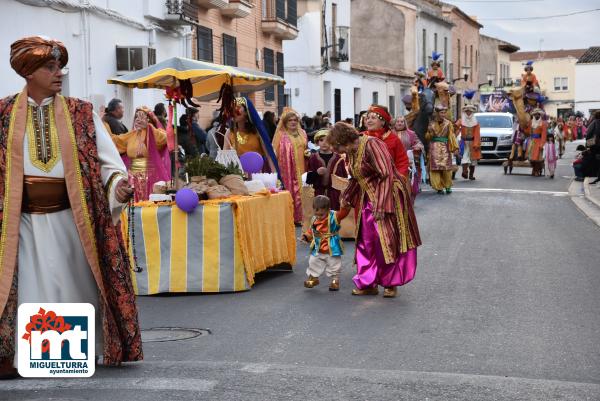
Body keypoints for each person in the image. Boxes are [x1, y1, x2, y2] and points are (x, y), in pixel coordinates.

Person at [0, 36, 142, 378]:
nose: (58, 73)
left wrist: (118, 187)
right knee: (29, 289)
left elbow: (109, 164)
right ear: (28, 72)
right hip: (23, 226)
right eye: (50, 67)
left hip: (72, 220)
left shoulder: (81, 112)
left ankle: (81, 351)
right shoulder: (3, 114)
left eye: (60, 66)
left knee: (75, 286)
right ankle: (30, 356)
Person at [327, 122, 421, 298]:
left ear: (345, 141)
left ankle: (390, 283)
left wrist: (382, 205)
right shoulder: (352, 152)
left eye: (339, 147)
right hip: (368, 198)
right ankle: (368, 282)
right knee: (366, 241)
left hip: (388, 197)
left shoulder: (372, 144)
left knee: (387, 240)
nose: (339, 151)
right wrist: (346, 198)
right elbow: (357, 179)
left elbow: (386, 174)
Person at [111, 106, 170, 201]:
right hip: (132, 178)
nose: (138, 120)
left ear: (149, 120)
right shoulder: (131, 135)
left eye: (142, 117)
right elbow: (114, 141)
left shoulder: (153, 133)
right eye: (136, 117)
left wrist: (148, 127)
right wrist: (103, 123)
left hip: (150, 178)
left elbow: (165, 138)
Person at [301, 195, 350, 291]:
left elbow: (343, 213)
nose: (319, 216)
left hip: (332, 245)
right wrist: (306, 236)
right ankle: (313, 278)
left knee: (334, 263)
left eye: (321, 214)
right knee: (313, 261)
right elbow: (312, 231)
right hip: (318, 246)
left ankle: (335, 280)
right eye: (316, 213)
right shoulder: (314, 219)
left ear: (328, 210)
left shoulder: (334, 216)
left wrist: (345, 206)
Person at [223, 97, 278, 175]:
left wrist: (275, 176)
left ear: (246, 111)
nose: (233, 111)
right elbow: (225, 157)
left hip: (258, 176)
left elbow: (269, 156)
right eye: (231, 108)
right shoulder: (229, 132)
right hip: (238, 175)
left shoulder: (257, 132)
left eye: (237, 107)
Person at [272, 107, 308, 224]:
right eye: (290, 120)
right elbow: (274, 153)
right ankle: (291, 216)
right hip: (288, 169)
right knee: (291, 189)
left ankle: (302, 217)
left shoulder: (303, 133)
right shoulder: (281, 135)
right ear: (285, 122)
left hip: (303, 167)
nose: (293, 122)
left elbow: (305, 148)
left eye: (295, 120)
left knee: (303, 189)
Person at [306, 129, 348, 210]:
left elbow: (344, 178)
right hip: (319, 194)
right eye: (321, 140)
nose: (324, 143)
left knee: (333, 217)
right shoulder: (313, 158)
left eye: (327, 140)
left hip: (334, 195)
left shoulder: (338, 158)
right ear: (317, 142)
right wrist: (317, 173)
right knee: (320, 216)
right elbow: (309, 180)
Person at [363, 105, 410, 177]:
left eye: (373, 118)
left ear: (383, 122)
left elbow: (402, 162)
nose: (369, 121)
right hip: (364, 183)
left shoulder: (394, 139)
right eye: (368, 118)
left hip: (390, 181)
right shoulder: (360, 137)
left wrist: (397, 179)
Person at [426, 105, 459, 194]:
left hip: (445, 147)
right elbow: (427, 137)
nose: (443, 114)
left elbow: (451, 136)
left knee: (446, 167)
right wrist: (430, 133)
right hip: (434, 148)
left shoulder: (448, 123)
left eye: (444, 113)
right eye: (441, 112)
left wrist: (455, 148)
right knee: (435, 168)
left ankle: (448, 186)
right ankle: (439, 187)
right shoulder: (431, 124)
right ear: (437, 113)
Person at [392, 116, 423, 195]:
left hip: (407, 161)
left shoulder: (411, 133)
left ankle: (407, 200)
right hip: (393, 161)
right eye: (398, 122)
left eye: (402, 122)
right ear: (394, 123)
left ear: (405, 123)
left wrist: (418, 146)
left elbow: (418, 142)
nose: (400, 123)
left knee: (407, 181)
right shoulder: (390, 133)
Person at [456, 103, 481, 180]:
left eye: (470, 111)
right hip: (464, 143)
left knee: (473, 159)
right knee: (464, 157)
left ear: (472, 112)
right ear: (465, 112)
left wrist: (476, 144)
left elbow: (477, 134)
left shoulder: (476, 122)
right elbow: (456, 128)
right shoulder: (461, 120)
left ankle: (471, 175)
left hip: (473, 142)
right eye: (467, 111)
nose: (468, 112)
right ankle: (464, 171)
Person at [526, 108, 547, 177]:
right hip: (531, 142)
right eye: (535, 114)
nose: (536, 115)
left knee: (537, 158)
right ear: (533, 115)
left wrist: (542, 144)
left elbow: (544, 134)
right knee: (531, 158)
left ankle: (536, 170)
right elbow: (527, 131)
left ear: (540, 115)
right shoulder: (530, 122)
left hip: (539, 141)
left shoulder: (543, 123)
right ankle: (534, 169)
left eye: (538, 114)